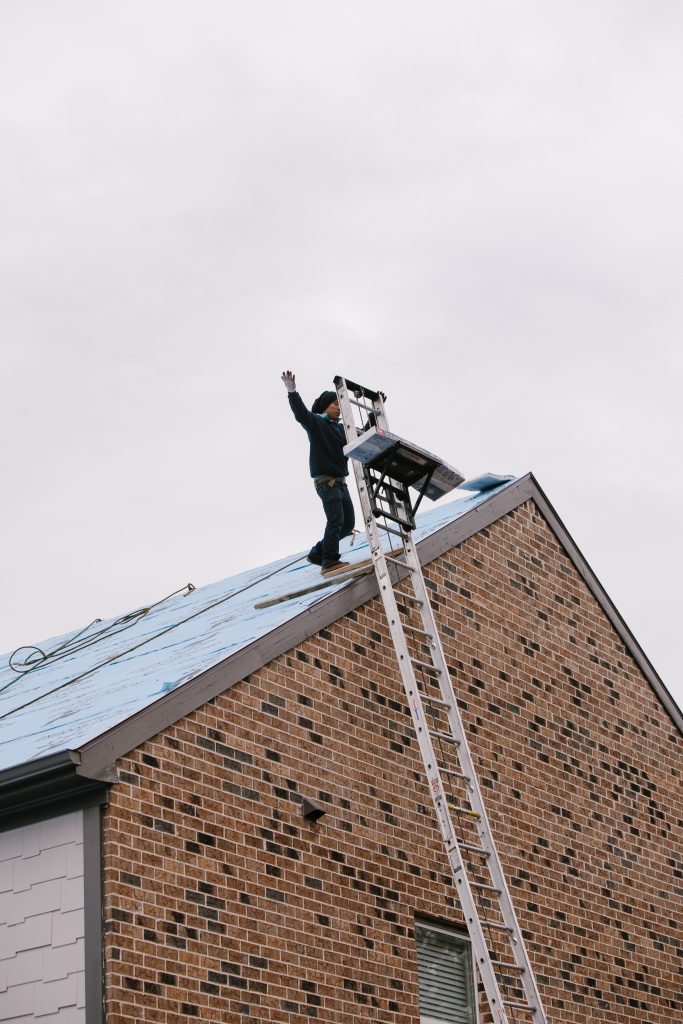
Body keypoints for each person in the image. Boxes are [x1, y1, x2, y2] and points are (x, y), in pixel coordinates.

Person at [281, 371, 355, 576]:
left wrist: (374, 414)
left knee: (348, 524)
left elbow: (360, 437)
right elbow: (300, 414)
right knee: (335, 520)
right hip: (326, 483)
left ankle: (317, 553)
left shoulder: (342, 430)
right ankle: (329, 561)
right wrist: (292, 392)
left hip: (341, 483)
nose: (339, 408)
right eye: (335, 404)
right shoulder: (316, 424)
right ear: (325, 407)